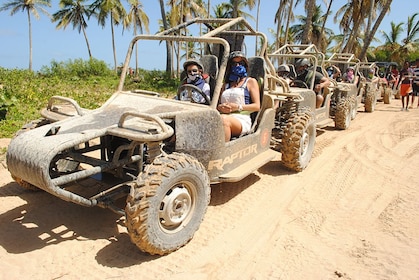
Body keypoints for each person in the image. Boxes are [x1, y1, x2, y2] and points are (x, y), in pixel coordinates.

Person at [217, 51, 260, 141]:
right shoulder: (225, 85)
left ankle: (223, 153)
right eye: (234, 63)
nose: (237, 66)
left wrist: (237, 107)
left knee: (224, 120)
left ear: (245, 65)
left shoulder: (250, 82)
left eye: (240, 63)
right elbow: (217, 105)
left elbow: (257, 106)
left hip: (241, 119)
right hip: (222, 116)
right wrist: (220, 107)